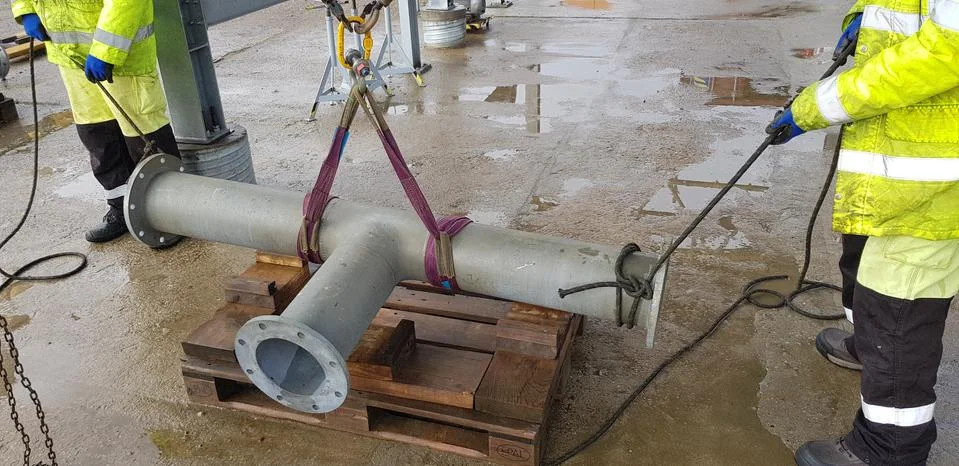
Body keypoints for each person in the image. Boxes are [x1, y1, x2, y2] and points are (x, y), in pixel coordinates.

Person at [768, 1, 959, 465]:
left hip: (938, 174)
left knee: (896, 305)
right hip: (907, 150)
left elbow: (946, 49)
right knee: (863, 256)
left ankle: (889, 450)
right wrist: (863, 14)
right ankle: (865, 346)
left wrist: (820, 103)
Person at [11, 0, 180, 244]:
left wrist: (105, 52)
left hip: (121, 57)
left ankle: (172, 212)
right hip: (70, 56)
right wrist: (25, 9)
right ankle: (121, 208)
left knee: (143, 133)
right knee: (97, 131)